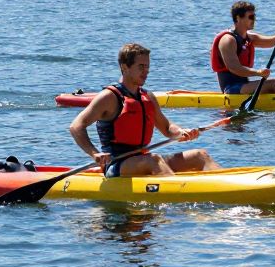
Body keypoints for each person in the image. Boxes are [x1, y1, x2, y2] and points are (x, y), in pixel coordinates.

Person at [69, 43, 222, 177]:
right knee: (154, 160)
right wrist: (94, 153)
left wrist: (182, 132)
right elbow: (76, 126)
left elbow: (167, 128)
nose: (146, 71)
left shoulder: (147, 96)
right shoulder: (110, 97)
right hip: (117, 165)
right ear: (125, 67)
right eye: (141, 66)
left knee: (199, 155)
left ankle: (226, 188)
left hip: (144, 159)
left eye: (147, 66)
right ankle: (180, 195)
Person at [211, 0, 275, 94]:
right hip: (232, 89)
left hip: (245, 85)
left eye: (254, 16)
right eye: (251, 17)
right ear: (238, 18)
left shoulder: (250, 38)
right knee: (273, 83)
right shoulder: (228, 40)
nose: (254, 20)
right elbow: (234, 68)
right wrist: (258, 72)